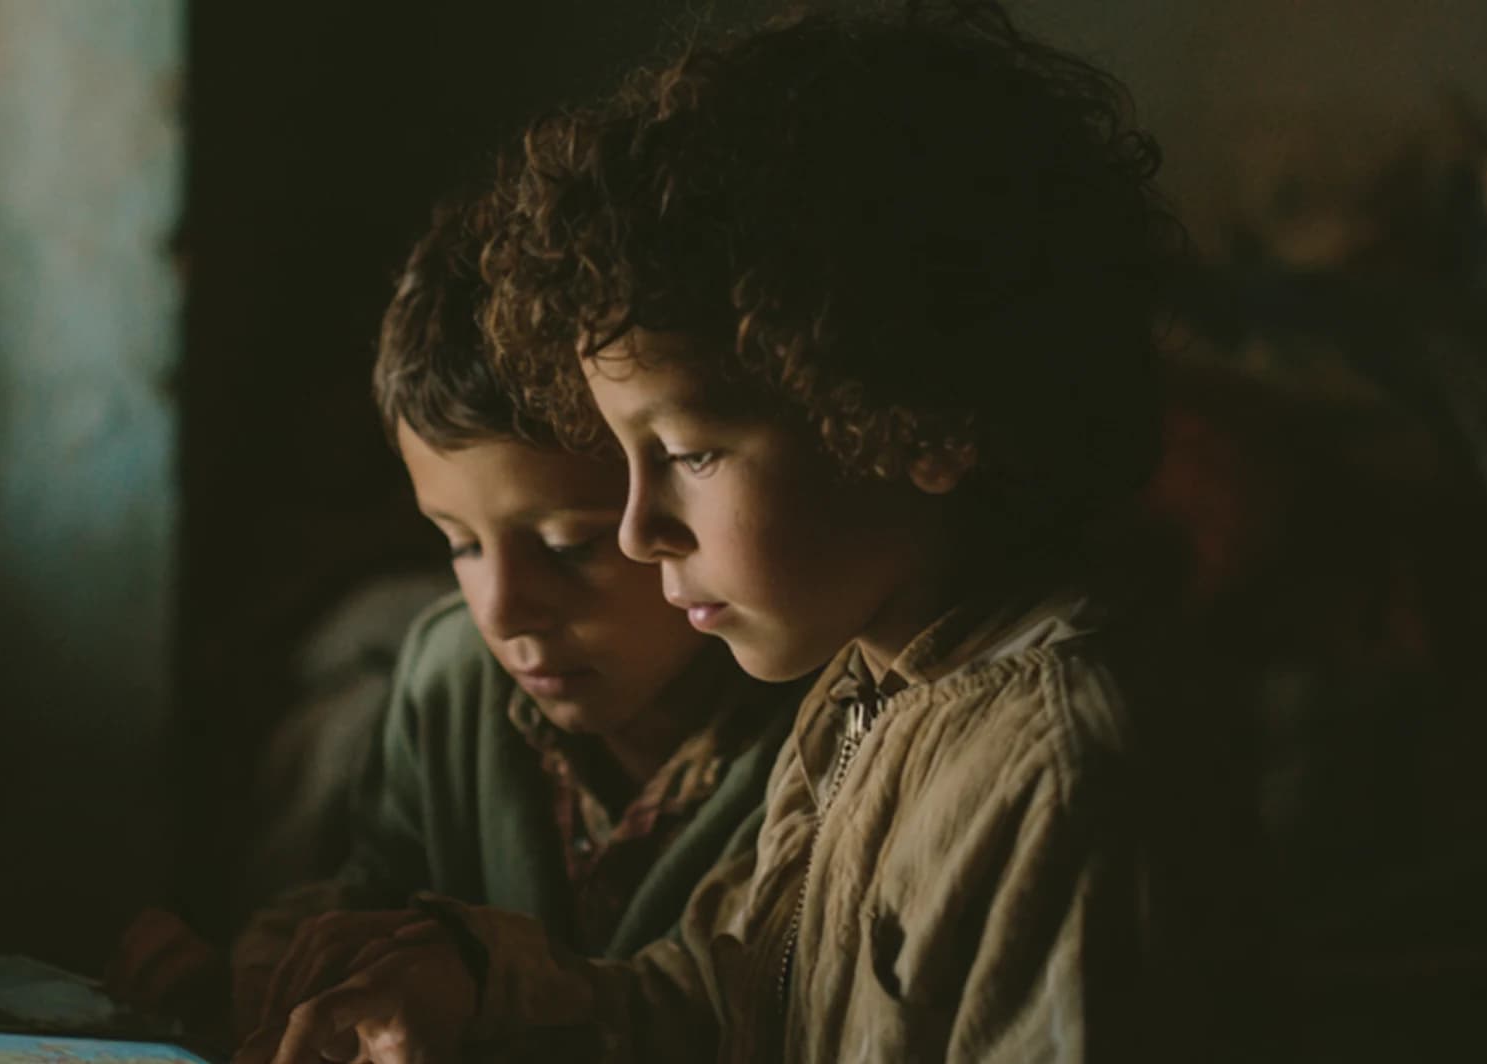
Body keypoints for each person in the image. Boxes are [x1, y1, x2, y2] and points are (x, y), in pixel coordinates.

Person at [241, 4, 1239, 1061]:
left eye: (688, 452)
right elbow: (732, 997)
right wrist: (475, 982)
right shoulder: (870, 682)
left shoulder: (1060, 774)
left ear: (920, 418)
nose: (637, 529)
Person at [112, 191, 807, 1048]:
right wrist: (267, 977)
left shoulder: (816, 742)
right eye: (459, 544)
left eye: (568, 546)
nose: (502, 610)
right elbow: (376, 886)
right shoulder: (450, 672)